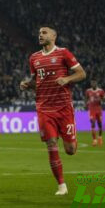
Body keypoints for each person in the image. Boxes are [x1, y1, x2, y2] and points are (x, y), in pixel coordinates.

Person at [20, 25, 86, 196]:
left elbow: (81, 73)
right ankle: (61, 185)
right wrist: (28, 84)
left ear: (54, 36)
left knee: (70, 150)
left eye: (44, 33)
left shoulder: (64, 53)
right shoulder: (34, 58)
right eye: (39, 33)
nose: (40, 35)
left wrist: (67, 79)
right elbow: (38, 83)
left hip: (64, 107)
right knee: (51, 144)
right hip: (44, 108)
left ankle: (72, 140)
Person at [85, 80, 105, 146]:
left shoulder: (100, 91)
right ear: (91, 84)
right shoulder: (88, 91)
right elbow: (86, 98)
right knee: (93, 123)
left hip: (99, 109)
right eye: (92, 83)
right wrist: (86, 104)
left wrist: (103, 99)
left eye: (94, 83)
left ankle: (100, 137)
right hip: (92, 110)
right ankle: (94, 140)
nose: (93, 84)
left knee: (99, 124)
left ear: (96, 83)